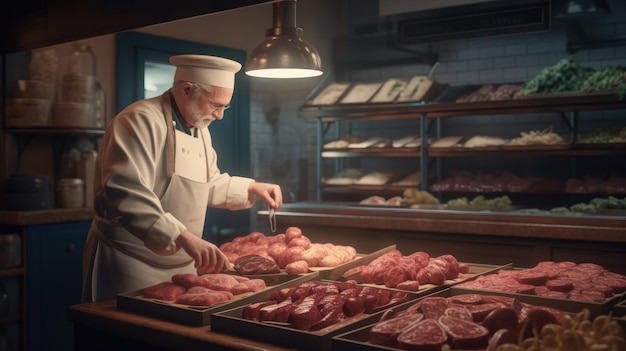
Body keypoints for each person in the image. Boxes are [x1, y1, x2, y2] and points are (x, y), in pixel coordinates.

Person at [81, 54, 283, 302]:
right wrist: (183, 236)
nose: (220, 115)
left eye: (224, 107)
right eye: (215, 105)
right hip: (130, 261)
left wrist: (252, 187)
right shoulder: (139, 120)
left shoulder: (200, 129)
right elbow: (126, 193)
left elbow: (207, 183)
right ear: (187, 90)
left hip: (181, 265)